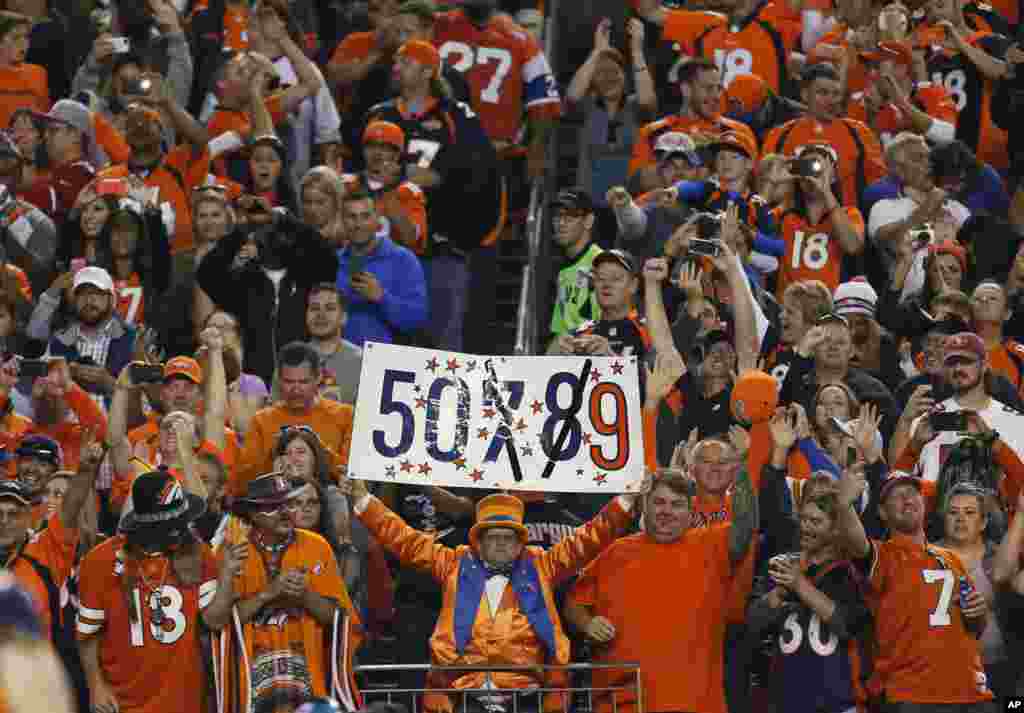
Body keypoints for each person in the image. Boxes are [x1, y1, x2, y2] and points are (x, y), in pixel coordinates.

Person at [342, 472, 642, 713]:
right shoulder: (454, 562)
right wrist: (362, 499)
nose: (501, 543)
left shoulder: (542, 564)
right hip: (461, 694)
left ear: (520, 542)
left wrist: (627, 499)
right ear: (478, 541)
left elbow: (588, 539)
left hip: (529, 696)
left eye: (509, 537)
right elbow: (404, 540)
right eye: (493, 537)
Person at [565, 461, 758, 713]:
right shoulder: (616, 552)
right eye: (659, 502)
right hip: (621, 704)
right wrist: (587, 624)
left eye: (677, 504)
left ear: (691, 512)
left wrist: (742, 468)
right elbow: (573, 603)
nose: (666, 511)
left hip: (692, 704)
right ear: (645, 505)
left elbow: (745, 527)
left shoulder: (713, 545)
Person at [362, 39, 500, 352]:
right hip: (383, 245)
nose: (396, 68)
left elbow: (469, 174)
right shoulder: (379, 114)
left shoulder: (457, 116)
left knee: (440, 346)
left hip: (440, 247)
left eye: (405, 62)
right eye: (395, 61)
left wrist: (408, 177)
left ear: (427, 71)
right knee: (379, 339)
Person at [835, 459, 997, 710]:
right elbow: (856, 542)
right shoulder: (882, 556)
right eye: (896, 496)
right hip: (913, 695)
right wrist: (844, 505)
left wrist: (979, 613)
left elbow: (976, 626)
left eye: (912, 492)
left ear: (924, 503)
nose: (907, 499)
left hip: (971, 693)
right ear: (882, 512)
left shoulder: (949, 557)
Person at [76, 470, 233, 713]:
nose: (178, 531)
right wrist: (96, 685)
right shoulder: (100, 561)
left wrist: (228, 574)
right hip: (123, 702)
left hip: (185, 702)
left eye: (181, 523)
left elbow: (214, 621)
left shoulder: (198, 553)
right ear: (143, 524)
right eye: (169, 526)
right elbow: (87, 635)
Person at [211, 472, 363, 712]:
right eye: (273, 507)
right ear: (253, 513)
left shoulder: (317, 546)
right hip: (250, 684)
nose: (285, 512)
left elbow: (340, 618)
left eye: (288, 504)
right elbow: (220, 624)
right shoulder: (232, 552)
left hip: (309, 679)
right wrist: (267, 594)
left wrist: (306, 596)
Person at [747, 465, 871, 713]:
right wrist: (779, 593)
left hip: (837, 703)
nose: (806, 527)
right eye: (803, 519)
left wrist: (799, 585)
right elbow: (752, 624)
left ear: (835, 528)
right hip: (786, 702)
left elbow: (846, 625)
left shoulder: (849, 572)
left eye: (815, 521)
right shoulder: (781, 565)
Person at [196, 191, 341, 384]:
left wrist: (279, 218)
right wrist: (245, 227)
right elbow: (206, 273)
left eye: (278, 231)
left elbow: (327, 256)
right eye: (266, 231)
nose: (273, 237)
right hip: (255, 387)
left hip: (301, 382)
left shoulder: (308, 279)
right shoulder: (242, 284)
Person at [232, 342, 353, 494]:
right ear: (279, 380)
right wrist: (274, 454)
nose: (296, 390)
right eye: (289, 382)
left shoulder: (345, 416)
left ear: (318, 378)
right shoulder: (261, 421)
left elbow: (351, 475)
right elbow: (244, 483)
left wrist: (318, 449)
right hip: (276, 504)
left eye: (303, 382)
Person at [763, 64, 886, 210]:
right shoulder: (779, 135)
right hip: (792, 226)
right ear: (804, 94)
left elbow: (878, 186)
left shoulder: (859, 132)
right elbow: (764, 185)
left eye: (835, 94)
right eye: (823, 93)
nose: (831, 100)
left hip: (848, 224)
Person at [936, 482, 1015, 697]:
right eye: (953, 512)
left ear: (983, 522)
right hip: (942, 669)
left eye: (969, 512)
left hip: (998, 667)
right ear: (944, 519)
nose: (960, 518)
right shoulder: (926, 558)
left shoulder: (1000, 558)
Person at [565, 18, 656, 201]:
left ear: (625, 76)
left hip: (632, 205)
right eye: (601, 72)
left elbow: (647, 98)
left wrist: (637, 51)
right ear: (592, 81)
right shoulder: (587, 107)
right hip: (590, 205)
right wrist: (597, 51)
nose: (609, 77)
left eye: (614, 71)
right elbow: (572, 96)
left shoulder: (635, 107)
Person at [628, 59, 757, 177]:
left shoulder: (739, 132)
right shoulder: (653, 132)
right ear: (686, 89)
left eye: (718, 88)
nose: (717, 96)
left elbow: (753, 182)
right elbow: (636, 182)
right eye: (708, 88)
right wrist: (682, 157)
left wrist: (716, 151)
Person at [334, 189, 428, 347]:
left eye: (365, 216)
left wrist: (382, 297)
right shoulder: (333, 262)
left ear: (377, 218)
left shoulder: (403, 260)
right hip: (342, 362)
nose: (358, 224)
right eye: (351, 217)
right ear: (342, 220)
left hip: (386, 362)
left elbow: (417, 320)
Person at [28, 266, 136, 402]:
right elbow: (40, 399)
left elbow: (147, 404)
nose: (89, 300)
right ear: (74, 301)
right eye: (82, 294)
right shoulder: (59, 341)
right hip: (68, 421)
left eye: (96, 293)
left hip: (113, 421)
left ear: (110, 298)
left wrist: (111, 385)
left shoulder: (132, 339)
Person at [775, 143, 866, 299]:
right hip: (790, 310)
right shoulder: (784, 216)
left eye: (818, 168)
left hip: (831, 307)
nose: (811, 174)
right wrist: (772, 182)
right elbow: (750, 236)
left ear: (833, 175)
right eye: (805, 167)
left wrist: (825, 191)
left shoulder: (850, 214)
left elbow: (852, 246)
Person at [341, 120, 428, 255]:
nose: (377, 153)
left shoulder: (409, 191)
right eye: (371, 146)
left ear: (397, 154)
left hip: (392, 268)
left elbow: (411, 240)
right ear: (363, 150)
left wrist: (388, 191)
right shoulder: (344, 184)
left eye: (385, 147)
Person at [850, 40, 958, 146]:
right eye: (870, 68)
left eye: (877, 67)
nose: (871, 74)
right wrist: (871, 117)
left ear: (901, 69)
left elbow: (951, 136)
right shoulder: (871, 106)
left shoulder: (930, 92)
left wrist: (904, 105)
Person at [547, 249, 647, 358]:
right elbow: (543, 368)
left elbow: (662, 370)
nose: (606, 284)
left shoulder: (649, 331)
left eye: (616, 278)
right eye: (600, 278)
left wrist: (610, 357)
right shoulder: (580, 334)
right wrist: (557, 352)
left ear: (634, 285)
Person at [548, 188, 603, 343]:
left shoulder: (602, 264)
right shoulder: (563, 270)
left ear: (588, 221)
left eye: (570, 216)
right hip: (569, 358)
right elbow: (560, 334)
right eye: (557, 216)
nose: (561, 223)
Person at [301, 283, 362, 406]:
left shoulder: (363, 362)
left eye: (329, 308)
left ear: (343, 317)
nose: (320, 315)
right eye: (314, 308)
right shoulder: (290, 359)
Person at [0, 11, 48, 128]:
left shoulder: (38, 74)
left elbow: (44, 120)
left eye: (26, 37)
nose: (23, 44)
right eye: (15, 38)